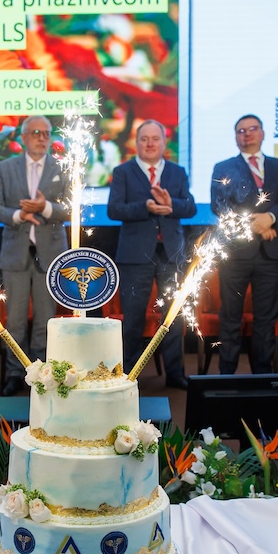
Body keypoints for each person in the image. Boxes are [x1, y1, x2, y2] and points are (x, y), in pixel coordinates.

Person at [107, 119, 197, 389]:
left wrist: (172, 205)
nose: (149, 144)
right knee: (133, 319)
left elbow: (190, 207)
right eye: (144, 139)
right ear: (136, 143)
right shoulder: (122, 172)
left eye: (155, 139)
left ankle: (175, 374)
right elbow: (114, 210)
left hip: (171, 253)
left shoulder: (177, 172)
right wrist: (145, 206)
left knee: (173, 318)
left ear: (163, 142)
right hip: (135, 256)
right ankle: (129, 376)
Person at [0, 115, 69, 397]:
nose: (42, 138)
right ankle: (14, 373)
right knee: (15, 322)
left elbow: (72, 208)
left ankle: (42, 376)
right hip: (15, 255)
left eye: (46, 133)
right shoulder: (5, 167)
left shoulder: (61, 167)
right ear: (23, 138)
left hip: (50, 255)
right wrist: (19, 215)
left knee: (46, 321)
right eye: (36, 133)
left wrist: (45, 207)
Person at [210, 114, 278, 374]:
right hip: (236, 253)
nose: (247, 134)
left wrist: (269, 218)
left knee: (266, 320)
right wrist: (254, 223)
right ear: (235, 137)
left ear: (262, 133)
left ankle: (263, 377)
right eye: (241, 130)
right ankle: (226, 377)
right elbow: (219, 205)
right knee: (230, 318)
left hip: (271, 255)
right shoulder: (223, 167)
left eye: (252, 129)